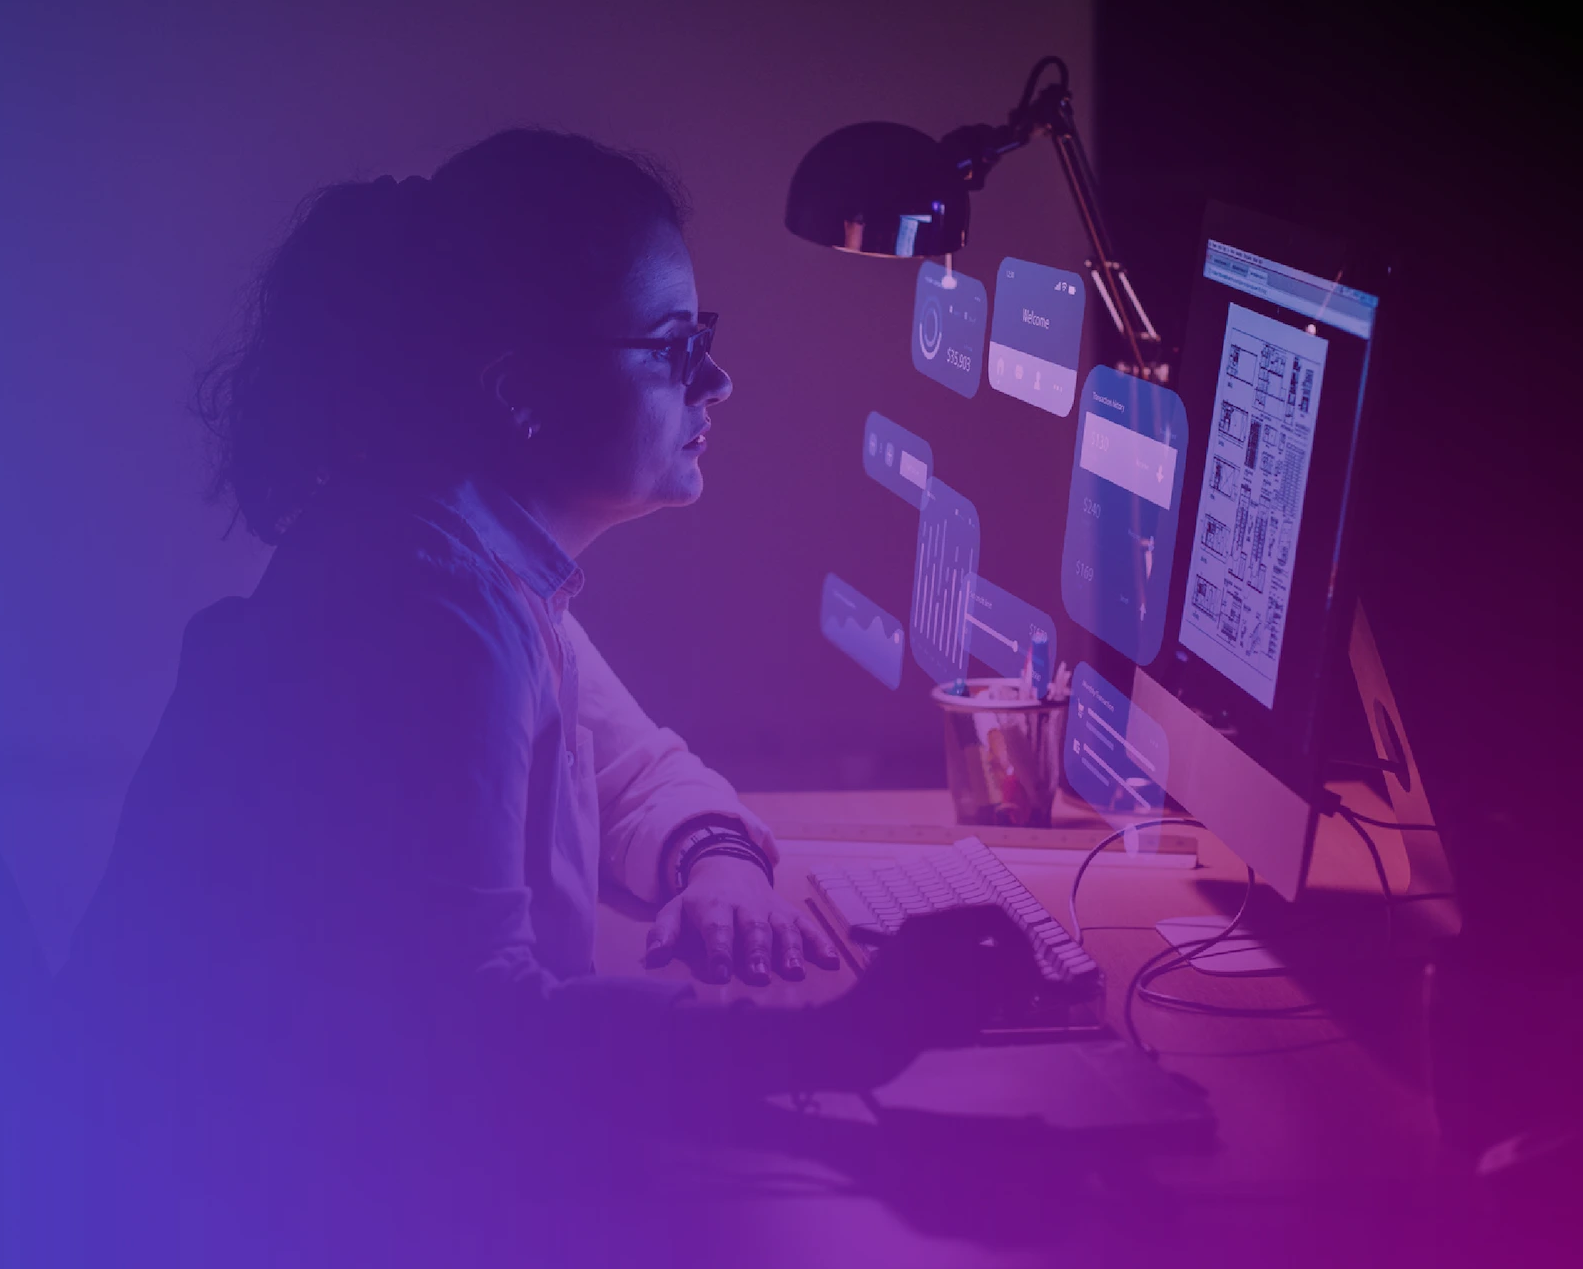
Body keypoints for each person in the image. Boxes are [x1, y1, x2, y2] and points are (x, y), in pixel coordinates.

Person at [64, 128, 1022, 1265]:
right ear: (521, 390)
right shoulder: (431, 611)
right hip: (253, 1213)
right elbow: (480, 1039)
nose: (715, 379)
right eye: (674, 346)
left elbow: (629, 768)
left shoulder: (464, 554)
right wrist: (836, 1043)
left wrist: (715, 861)